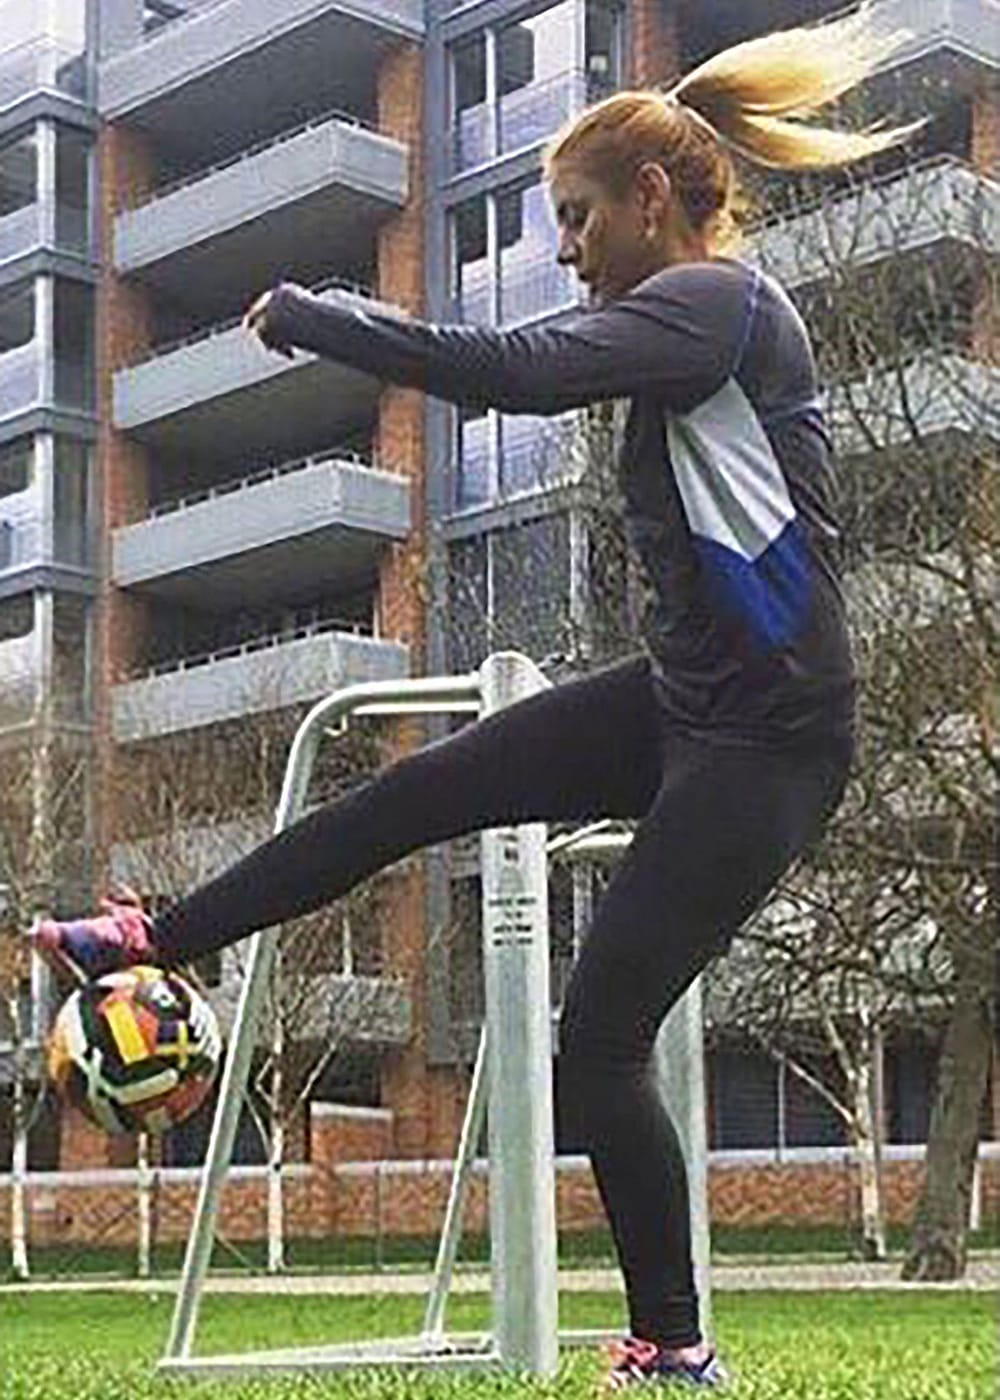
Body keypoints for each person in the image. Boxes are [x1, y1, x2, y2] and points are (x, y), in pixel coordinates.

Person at [32, 7, 916, 1388]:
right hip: (688, 703)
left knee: (600, 1038)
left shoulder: (716, 305)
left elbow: (517, 374)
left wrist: (332, 317)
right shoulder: (684, 317)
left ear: (647, 201)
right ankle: (154, 937)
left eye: (572, 219)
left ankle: (674, 1348)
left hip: (771, 740)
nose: (563, 248)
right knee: (414, 792)